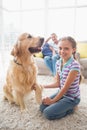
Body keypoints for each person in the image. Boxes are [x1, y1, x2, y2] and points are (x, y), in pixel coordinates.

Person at [40, 36, 81, 120]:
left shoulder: (75, 65)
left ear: (73, 50)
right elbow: (58, 83)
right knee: (42, 107)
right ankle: (60, 103)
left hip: (71, 98)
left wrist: (53, 101)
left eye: (66, 48)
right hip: (61, 92)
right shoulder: (58, 63)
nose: (62, 51)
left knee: (48, 113)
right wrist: (42, 86)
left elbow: (65, 88)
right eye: (60, 48)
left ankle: (72, 108)